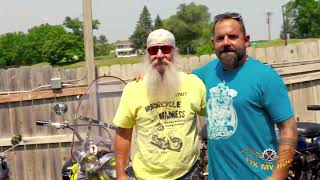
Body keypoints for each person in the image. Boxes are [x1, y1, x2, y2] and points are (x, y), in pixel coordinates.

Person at [192, 12, 298, 180]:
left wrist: (280, 174)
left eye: (233, 37)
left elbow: (289, 128)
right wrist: (141, 75)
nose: (226, 43)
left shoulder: (265, 76)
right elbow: (176, 80)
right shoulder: (206, 73)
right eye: (220, 38)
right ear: (213, 43)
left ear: (246, 40)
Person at [113, 28, 206, 180]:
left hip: (189, 174)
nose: (160, 55)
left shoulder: (193, 83)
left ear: (174, 52)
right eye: (154, 50)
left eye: (166, 49)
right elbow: (123, 133)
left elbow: (214, 112)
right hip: (145, 176)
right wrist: (120, 174)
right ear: (148, 54)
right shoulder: (133, 89)